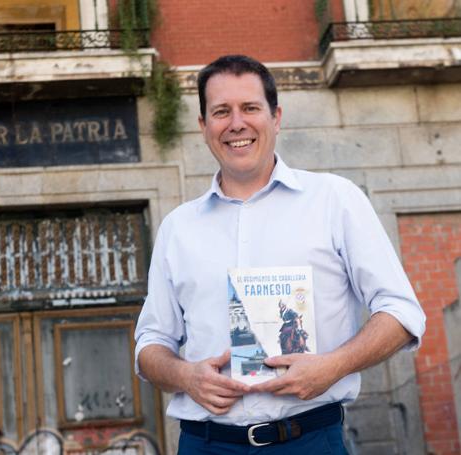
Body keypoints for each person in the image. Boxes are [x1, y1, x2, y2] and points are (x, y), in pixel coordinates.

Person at [134, 55, 426, 454]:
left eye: (250, 108)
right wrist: (186, 376)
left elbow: (402, 312)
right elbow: (151, 344)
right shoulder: (178, 228)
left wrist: (333, 366)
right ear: (203, 126)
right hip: (206, 444)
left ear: (276, 117)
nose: (236, 123)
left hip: (309, 440)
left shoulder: (335, 201)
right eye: (221, 111)